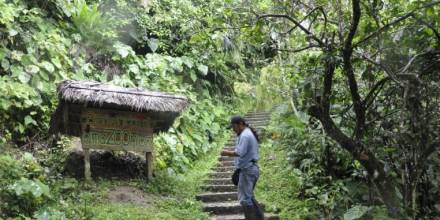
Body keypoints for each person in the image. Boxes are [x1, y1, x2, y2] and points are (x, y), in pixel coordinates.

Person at [221, 116, 264, 220]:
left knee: (245, 199)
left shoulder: (245, 135)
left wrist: (225, 152)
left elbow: (239, 152)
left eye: (234, 126)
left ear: (240, 124)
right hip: (250, 169)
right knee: (249, 197)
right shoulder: (246, 133)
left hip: (248, 170)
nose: (233, 129)